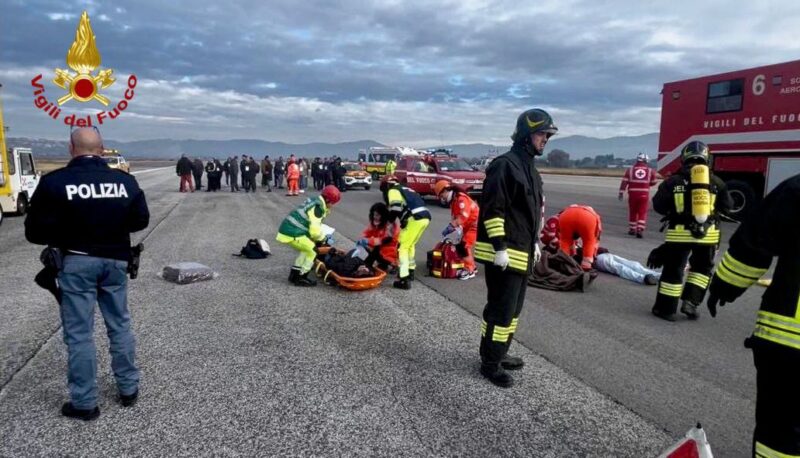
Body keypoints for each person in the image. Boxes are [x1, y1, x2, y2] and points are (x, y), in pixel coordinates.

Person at [24, 126, 150, 420]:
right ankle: (128, 390)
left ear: (71, 148)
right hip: (116, 261)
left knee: (80, 334)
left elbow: (34, 232)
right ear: (102, 148)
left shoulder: (55, 182)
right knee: (119, 325)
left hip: (76, 263)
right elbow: (140, 219)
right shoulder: (124, 181)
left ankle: (84, 403)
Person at [706, 173, 800, 457]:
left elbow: (756, 241)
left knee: (780, 436)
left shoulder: (796, 189)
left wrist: (725, 284)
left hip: (790, 339)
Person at [474, 108, 553, 388]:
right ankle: (489, 364)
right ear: (526, 135)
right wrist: (499, 247)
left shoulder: (528, 167)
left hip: (521, 251)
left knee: (513, 310)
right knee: (501, 310)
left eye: (547, 135)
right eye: (542, 134)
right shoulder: (505, 165)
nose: (546, 139)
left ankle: (498, 352)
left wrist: (535, 242)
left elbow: (528, 213)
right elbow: (493, 209)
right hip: (504, 254)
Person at [650, 141, 732, 321]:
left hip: (679, 234)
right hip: (708, 235)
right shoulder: (717, 182)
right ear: (707, 158)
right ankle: (691, 303)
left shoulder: (673, 181)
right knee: (702, 269)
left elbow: (658, 206)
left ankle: (666, 310)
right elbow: (727, 208)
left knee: (674, 270)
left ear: (684, 158)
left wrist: (676, 211)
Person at [276, 185, 341, 286]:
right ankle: (302, 277)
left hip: (290, 229)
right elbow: (314, 231)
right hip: (293, 232)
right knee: (313, 251)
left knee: (305, 250)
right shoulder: (318, 208)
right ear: (328, 200)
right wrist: (324, 238)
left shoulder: (315, 200)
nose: (332, 205)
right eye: (332, 203)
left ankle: (294, 275)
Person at [380, 175, 431, 289]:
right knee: (410, 245)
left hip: (414, 218)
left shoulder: (393, 190)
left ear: (387, 185)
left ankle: (404, 279)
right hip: (424, 217)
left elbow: (395, 208)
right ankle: (410, 270)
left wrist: (388, 222)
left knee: (402, 247)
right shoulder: (405, 188)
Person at [434, 180, 479, 280]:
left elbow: (463, 216)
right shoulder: (454, 200)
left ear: (445, 190)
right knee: (464, 245)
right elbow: (455, 216)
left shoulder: (461, 199)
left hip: (474, 225)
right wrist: (453, 227)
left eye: (441, 195)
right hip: (468, 225)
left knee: (463, 246)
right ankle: (472, 267)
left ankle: (469, 270)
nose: (442, 198)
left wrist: (452, 226)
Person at [619, 153, 657, 238]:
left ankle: (632, 229)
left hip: (632, 195)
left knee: (633, 211)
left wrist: (621, 192)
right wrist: (647, 184)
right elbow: (654, 181)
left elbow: (624, 182)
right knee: (642, 212)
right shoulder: (650, 170)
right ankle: (640, 229)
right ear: (645, 160)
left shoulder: (630, 170)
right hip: (644, 195)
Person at [557, 204, 602, 271]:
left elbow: (568, 240)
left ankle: (563, 263)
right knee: (589, 242)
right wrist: (593, 256)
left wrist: (572, 254)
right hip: (588, 218)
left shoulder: (563, 213)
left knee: (565, 241)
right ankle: (586, 267)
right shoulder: (595, 216)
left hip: (566, 215)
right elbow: (596, 240)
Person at [360, 202, 399, 272]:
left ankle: (392, 264)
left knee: (375, 249)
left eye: (377, 215)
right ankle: (380, 264)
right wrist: (363, 239)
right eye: (374, 214)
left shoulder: (390, 225)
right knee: (368, 246)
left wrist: (369, 241)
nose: (375, 217)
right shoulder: (376, 223)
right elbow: (367, 232)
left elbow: (385, 240)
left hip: (391, 250)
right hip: (382, 248)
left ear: (383, 215)